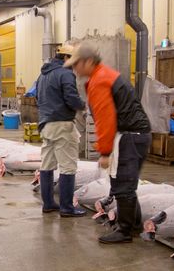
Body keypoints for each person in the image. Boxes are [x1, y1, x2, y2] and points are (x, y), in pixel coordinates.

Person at [65, 42, 151, 244]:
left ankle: (125, 231)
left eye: (76, 64)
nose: (74, 68)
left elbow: (106, 119)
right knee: (126, 183)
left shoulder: (100, 80)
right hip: (136, 134)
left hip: (130, 135)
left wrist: (104, 152)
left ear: (88, 62)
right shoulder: (104, 75)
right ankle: (134, 225)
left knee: (122, 184)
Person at [35, 45, 86, 217]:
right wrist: (83, 106)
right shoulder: (65, 73)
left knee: (47, 164)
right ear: (66, 58)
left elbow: (37, 97)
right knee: (68, 167)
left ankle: (48, 204)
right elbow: (71, 98)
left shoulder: (43, 74)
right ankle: (67, 207)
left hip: (46, 124)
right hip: (62, 125)